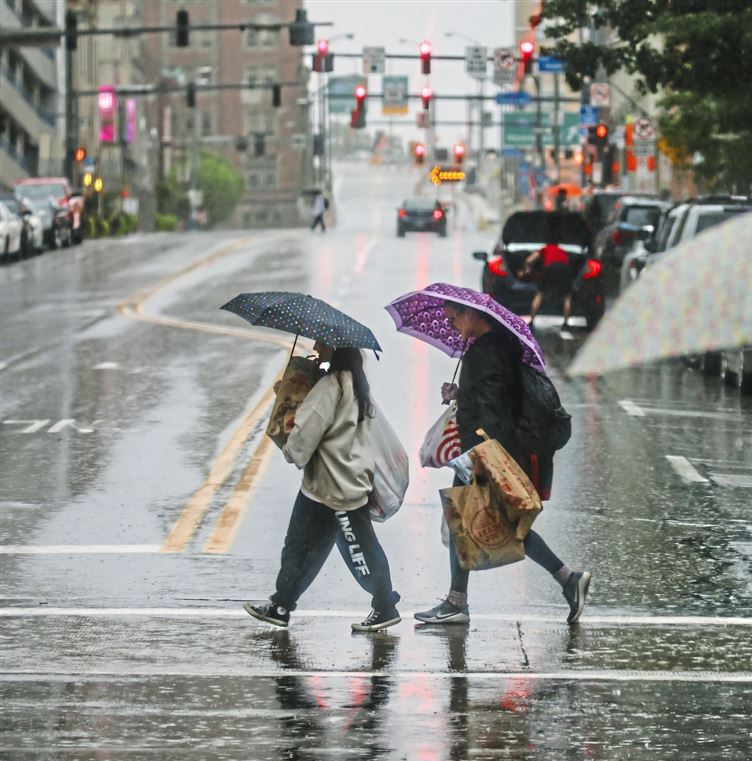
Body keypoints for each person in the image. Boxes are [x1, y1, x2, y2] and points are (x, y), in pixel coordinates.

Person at [414, 301, 591, 625]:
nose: (452, 325)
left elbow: (495, 409)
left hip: (485, 452)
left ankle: (565, 579)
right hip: (486, 450)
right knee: (470, 522)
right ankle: (460, 601)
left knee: (490, 525)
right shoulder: (492, 347)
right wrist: (459, 393)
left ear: (472, 315)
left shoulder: (488, 352)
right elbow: (492, 397)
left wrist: (482, 458)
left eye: (454, 319)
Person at [245, 342, 402, 633]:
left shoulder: (331, 386)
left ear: (335, 348)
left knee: (346, 550)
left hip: (333, 487)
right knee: (311, 549)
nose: (316, 346)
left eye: (321, 342)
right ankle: (281, 605)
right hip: (337, 484)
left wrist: (291, 440)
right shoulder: (354, 384)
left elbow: (306, 431)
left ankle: (384, 606)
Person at [523, 215, 573, 332]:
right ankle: (566, 323)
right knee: (567, 296)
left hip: (549, 269)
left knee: (540, 294)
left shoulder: (545, 249)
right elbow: (569, 264)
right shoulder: (563, 252)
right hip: (564, 270)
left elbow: (529, 260)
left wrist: (527, 267)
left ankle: (532, 321)